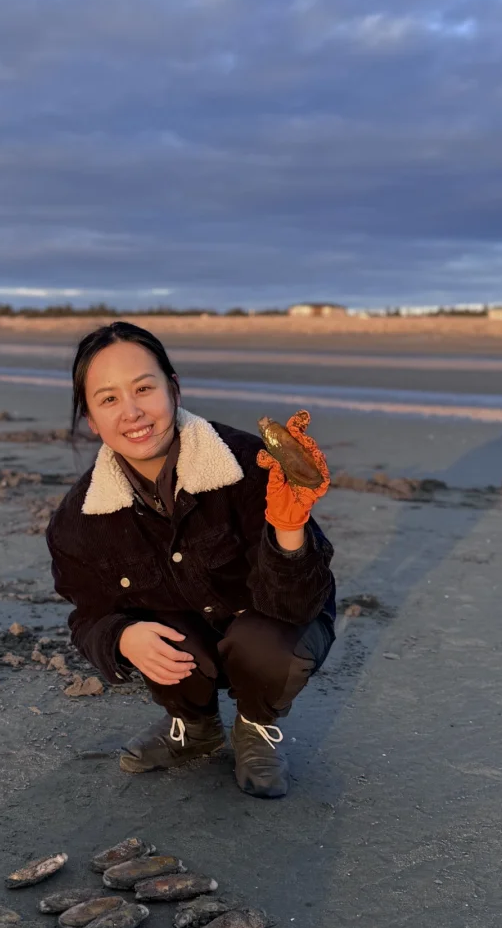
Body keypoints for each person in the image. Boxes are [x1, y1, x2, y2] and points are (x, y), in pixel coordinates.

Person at [46, 321, 336, 799]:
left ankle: (256, 727)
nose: (133, 412)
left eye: (144, 388)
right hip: (190, 643)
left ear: (174, 389)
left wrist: (288, 528)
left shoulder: (251, 463)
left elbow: (301, 603)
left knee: (262, 644)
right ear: (92, 420)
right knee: (150, 632)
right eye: (109, 399)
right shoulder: (78, 522)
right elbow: (88, 617)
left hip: (275, 625)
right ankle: (194, 727)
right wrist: (122, 638)